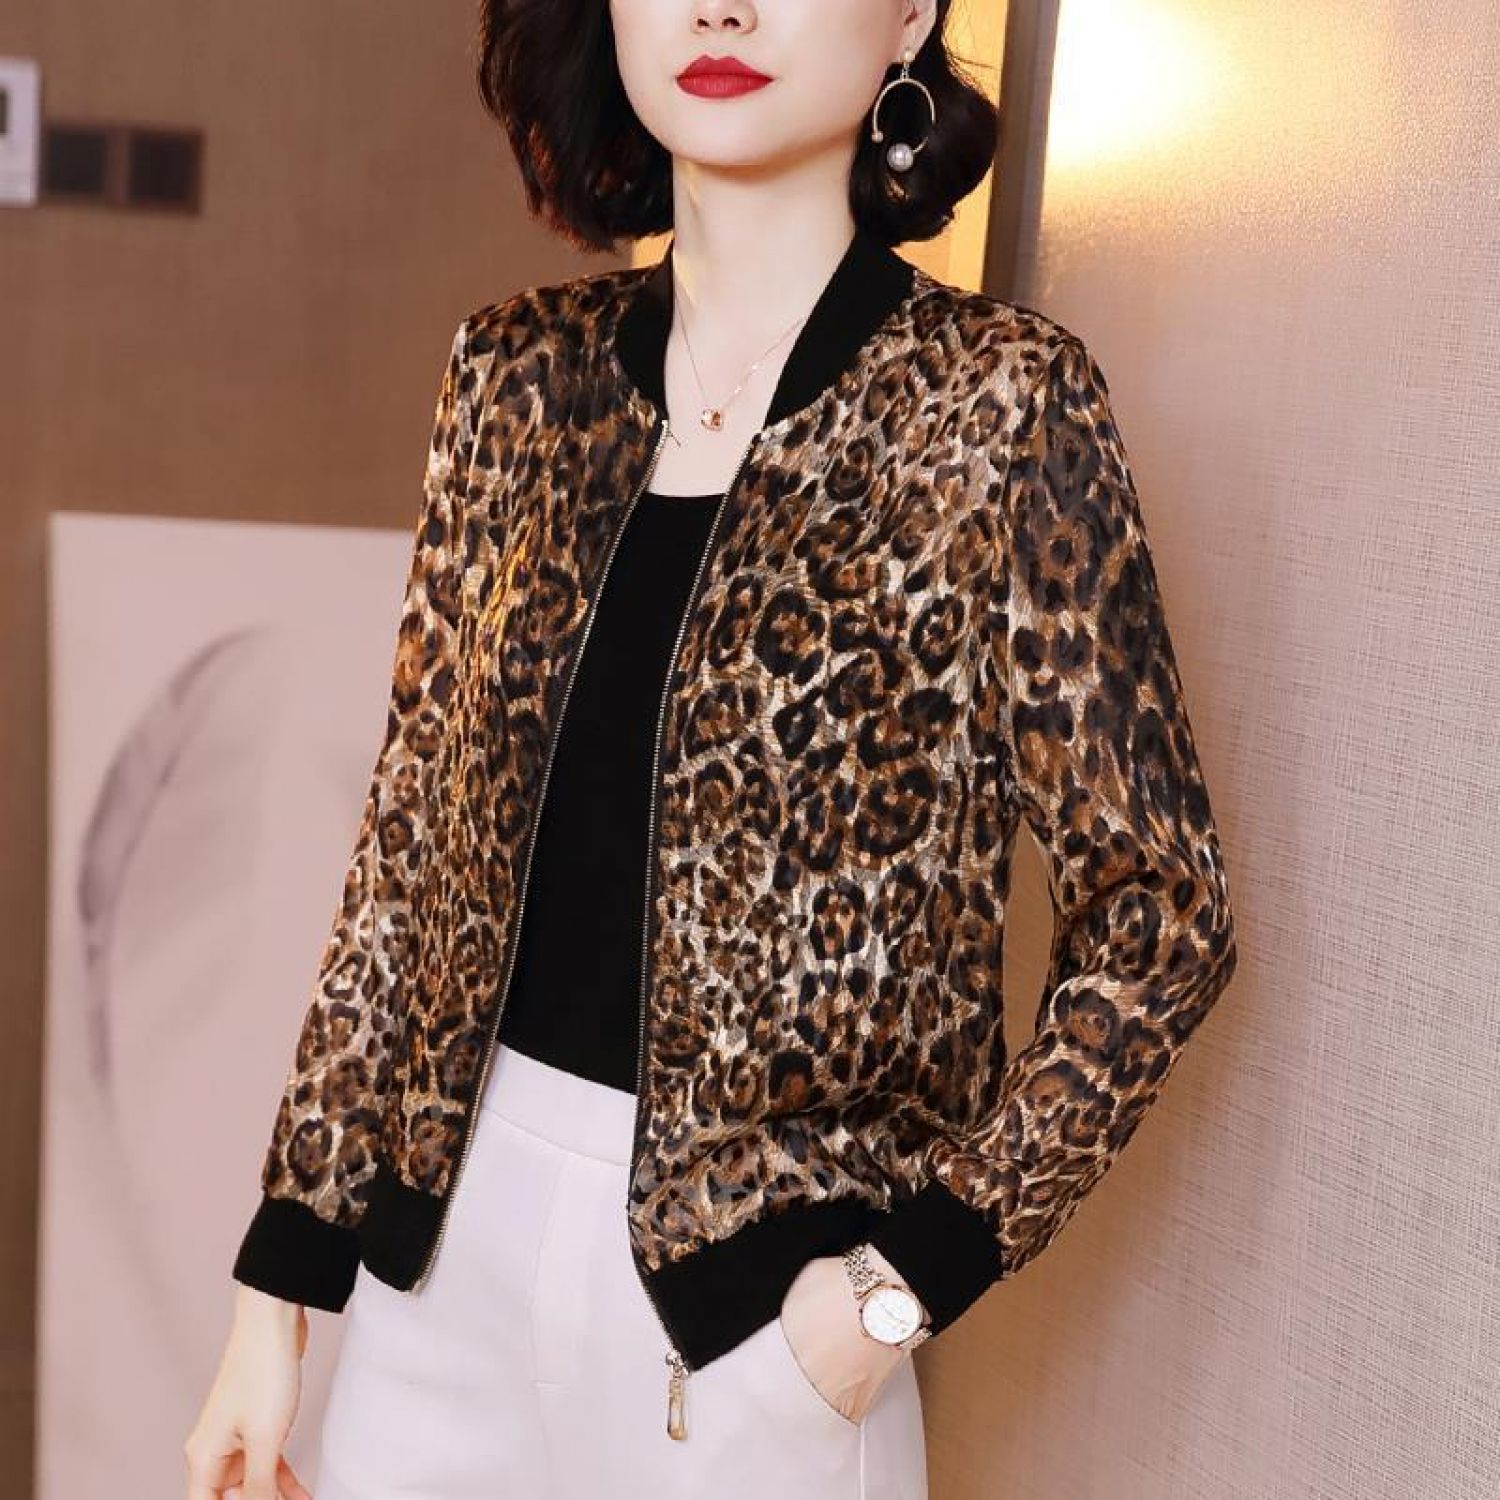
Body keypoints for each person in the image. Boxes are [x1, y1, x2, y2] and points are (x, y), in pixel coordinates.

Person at [185, 1, 1240, 1496]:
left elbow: (1163, 914)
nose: (720, 6)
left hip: (757, 1340)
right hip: (440, 1284)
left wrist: (893, 1297)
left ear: (912, 12)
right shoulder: (515, 377)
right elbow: (408, 855)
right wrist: (276, 1289)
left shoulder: (998, 404)